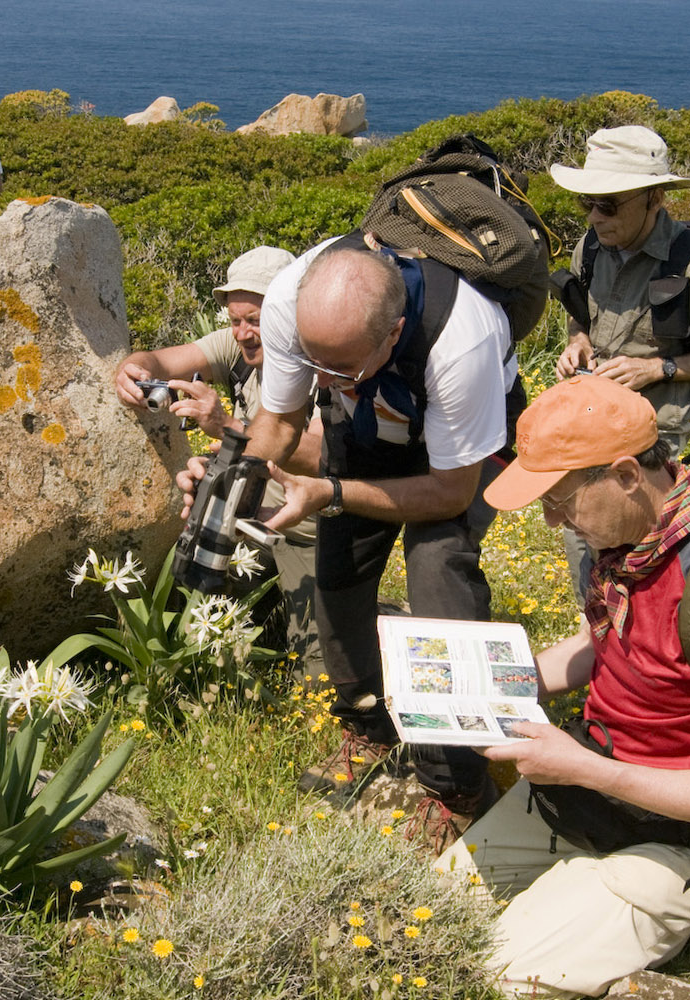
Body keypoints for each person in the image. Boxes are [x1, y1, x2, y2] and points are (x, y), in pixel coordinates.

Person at [429, 375, 690, 998]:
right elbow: (611, 648)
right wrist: (506, 680)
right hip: (598, 794)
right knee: (427, 914)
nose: (551, 523)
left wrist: (578, 768)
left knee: (497, 980)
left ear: (626, 475)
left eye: (562, 502)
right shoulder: (637, 541)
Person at [178, 238, 523, 846]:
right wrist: (234, 479)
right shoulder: (292, 304)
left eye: (337, 369)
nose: (320, 379)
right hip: (369, 423)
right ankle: (368, 727)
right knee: (337, 575)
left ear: (393, 333)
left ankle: (460, 788)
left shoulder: (462, 340)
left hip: (459, 450)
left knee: (441, 579)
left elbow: (448, 492)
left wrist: (333, 492)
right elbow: (282, 420)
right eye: (313, 363)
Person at [548, 125, 690, 595]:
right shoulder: (592, 246)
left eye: (610, 204)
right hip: (592, 416)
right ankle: (599, 632)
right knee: (582, 531)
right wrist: (577, 343)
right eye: (589, 203)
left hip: (655, 432)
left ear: (655, 197)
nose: (596, 216)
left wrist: (655, 369)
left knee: (637, 554)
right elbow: (582, 316)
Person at [112, 246, 325, 679]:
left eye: (255, 321)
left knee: (317, 673)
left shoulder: (323, 359)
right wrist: (132, 371)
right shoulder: (236, 346)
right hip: (246, 517)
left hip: (308, 527)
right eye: (235, 320)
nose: (243, 334)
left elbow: (320, 455)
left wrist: (227, 424)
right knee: (191, 608)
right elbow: (163, 360)